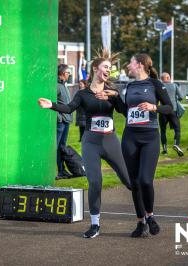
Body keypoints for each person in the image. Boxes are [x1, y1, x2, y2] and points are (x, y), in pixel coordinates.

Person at [38, 51, 132, 239]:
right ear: (95, 69)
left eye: (110, 68)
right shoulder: (82, 93)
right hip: (91, 142)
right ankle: (95, 224)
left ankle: (145, 218)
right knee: (95, 182)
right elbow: (69, 108)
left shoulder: (112, 92)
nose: (109, 70)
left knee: (129, 181)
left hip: (110, 140)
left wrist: (115, 96)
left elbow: (124, 111)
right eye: (106, 67)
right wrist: (52, 105)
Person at [97, 53, 173, 238]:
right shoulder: (129, 86)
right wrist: (114, 97)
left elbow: (170, 107)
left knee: (146, 180)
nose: (128, 66)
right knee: (135, 183)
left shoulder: (155, 84)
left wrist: (154, 107)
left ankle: (151, 216)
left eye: (130, 63)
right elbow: (125, 111)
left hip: (150, 137)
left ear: (139, 65)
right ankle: (141, 223)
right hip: (130, 137)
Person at [158, 72, 184, 156]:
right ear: (168, 78)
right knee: (177, 129)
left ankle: (165, 149)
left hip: (162, 110)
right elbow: (181, 97)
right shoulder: (174, 85)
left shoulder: (159, 86)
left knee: (163, 130)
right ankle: (176, 144)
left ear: (161, 79)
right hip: (173, 110)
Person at [56, 64, 73, 179]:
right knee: (56, 147)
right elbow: (52, 103)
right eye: (68, 73)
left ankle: (62, 170)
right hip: (61, 122)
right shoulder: (56, 86)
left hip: (66, 121)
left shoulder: (64, 85)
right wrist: (59, 118)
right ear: (62, 73)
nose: (69, 75)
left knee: (62, 147)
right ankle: (56, 171)